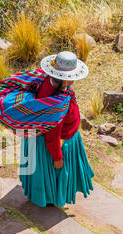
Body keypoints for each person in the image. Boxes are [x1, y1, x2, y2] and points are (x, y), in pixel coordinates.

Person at [19, 51, 94, 207]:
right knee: (55, 172)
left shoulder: (47, 83)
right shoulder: (55, 105)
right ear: (65, 80)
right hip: (55, 144)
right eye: (72, 77)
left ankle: (45, 195)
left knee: (41, 172)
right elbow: (52, 136)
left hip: (39, 138)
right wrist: (57, 157)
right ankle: (51, 199)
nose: (74, 80)